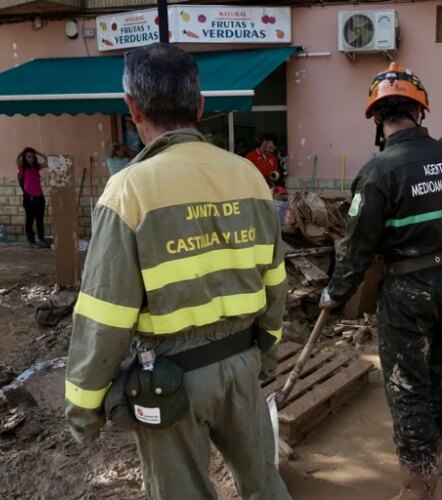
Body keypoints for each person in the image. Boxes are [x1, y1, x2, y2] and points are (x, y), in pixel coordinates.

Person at [64, 43, 290, 499]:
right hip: (243, 365)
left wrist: (84, 408)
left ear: (131, 108)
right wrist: (264, 352)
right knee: (264, 486)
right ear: (201, 106)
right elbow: (275, 282)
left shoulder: (128, 190)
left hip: (170, 381)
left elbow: (104, 315)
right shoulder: (248, 177)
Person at [320, 62, 442, 499]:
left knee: (407, 388)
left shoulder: (378, 173)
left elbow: (357, 246)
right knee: (436, 377)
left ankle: (418, 487)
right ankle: (432, 460)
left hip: (408, 290)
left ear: (375, 118)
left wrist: (336, 292)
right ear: (420, 112)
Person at [15, 147, 50, 248]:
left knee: (40, 219)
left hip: (39, 197)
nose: (31, 159)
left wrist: (37, 152)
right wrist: (25, 150)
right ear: (25, 158)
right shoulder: (22, 168)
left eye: (32, 157)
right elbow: (16, 158)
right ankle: (31, 241)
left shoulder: (36, 167)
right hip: (28, 198)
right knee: (30, 219)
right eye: (28, 157)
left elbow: (48, 161)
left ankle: (41, 238)